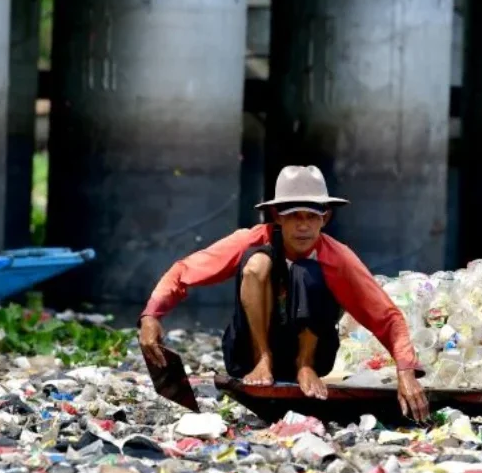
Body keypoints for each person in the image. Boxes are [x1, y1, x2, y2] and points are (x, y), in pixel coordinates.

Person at [137, 165, 430, 422]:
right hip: (246, 355)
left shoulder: (338, 257)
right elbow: (183, 271)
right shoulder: (253, 239)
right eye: (294, 216)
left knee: (308, 270)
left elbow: (387, 316)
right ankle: (262, 359)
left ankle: (305, 366)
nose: (303, 226)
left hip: (313, 356)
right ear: (277, 216)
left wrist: (405, 371)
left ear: (324, 219)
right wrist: (152, 316)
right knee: (257, 263)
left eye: (311, 217)